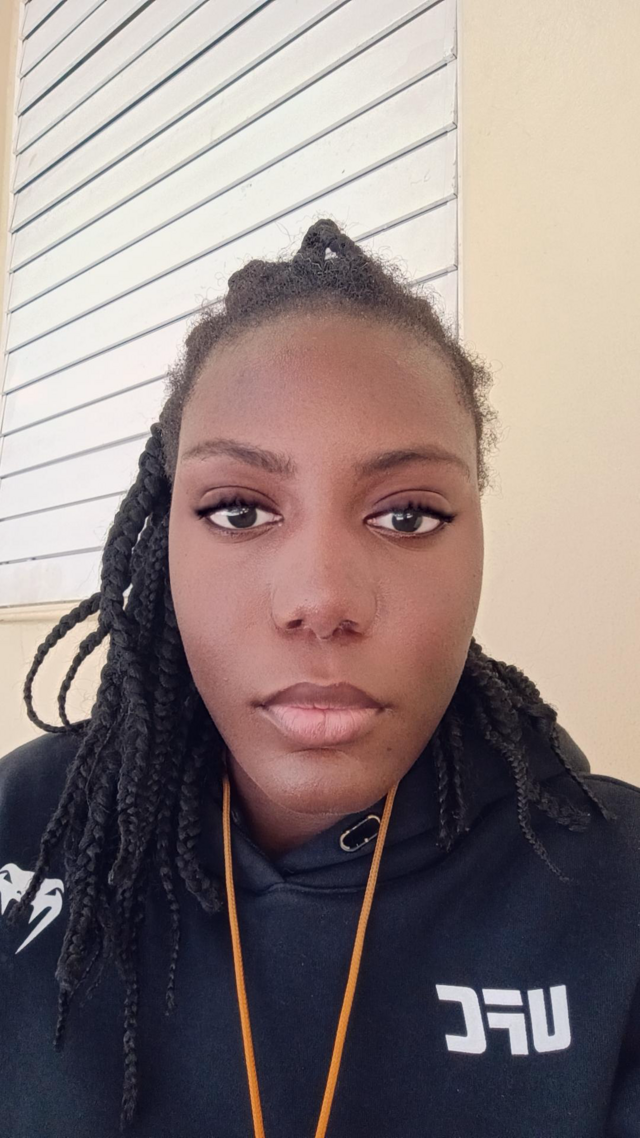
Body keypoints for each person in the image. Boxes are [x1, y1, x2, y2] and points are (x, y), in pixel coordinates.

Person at [0, 219, 638, 1138]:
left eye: (407, 516)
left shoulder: (616, 888)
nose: (321, 601)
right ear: (162, 539)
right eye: (239, 510)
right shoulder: (23, 823)